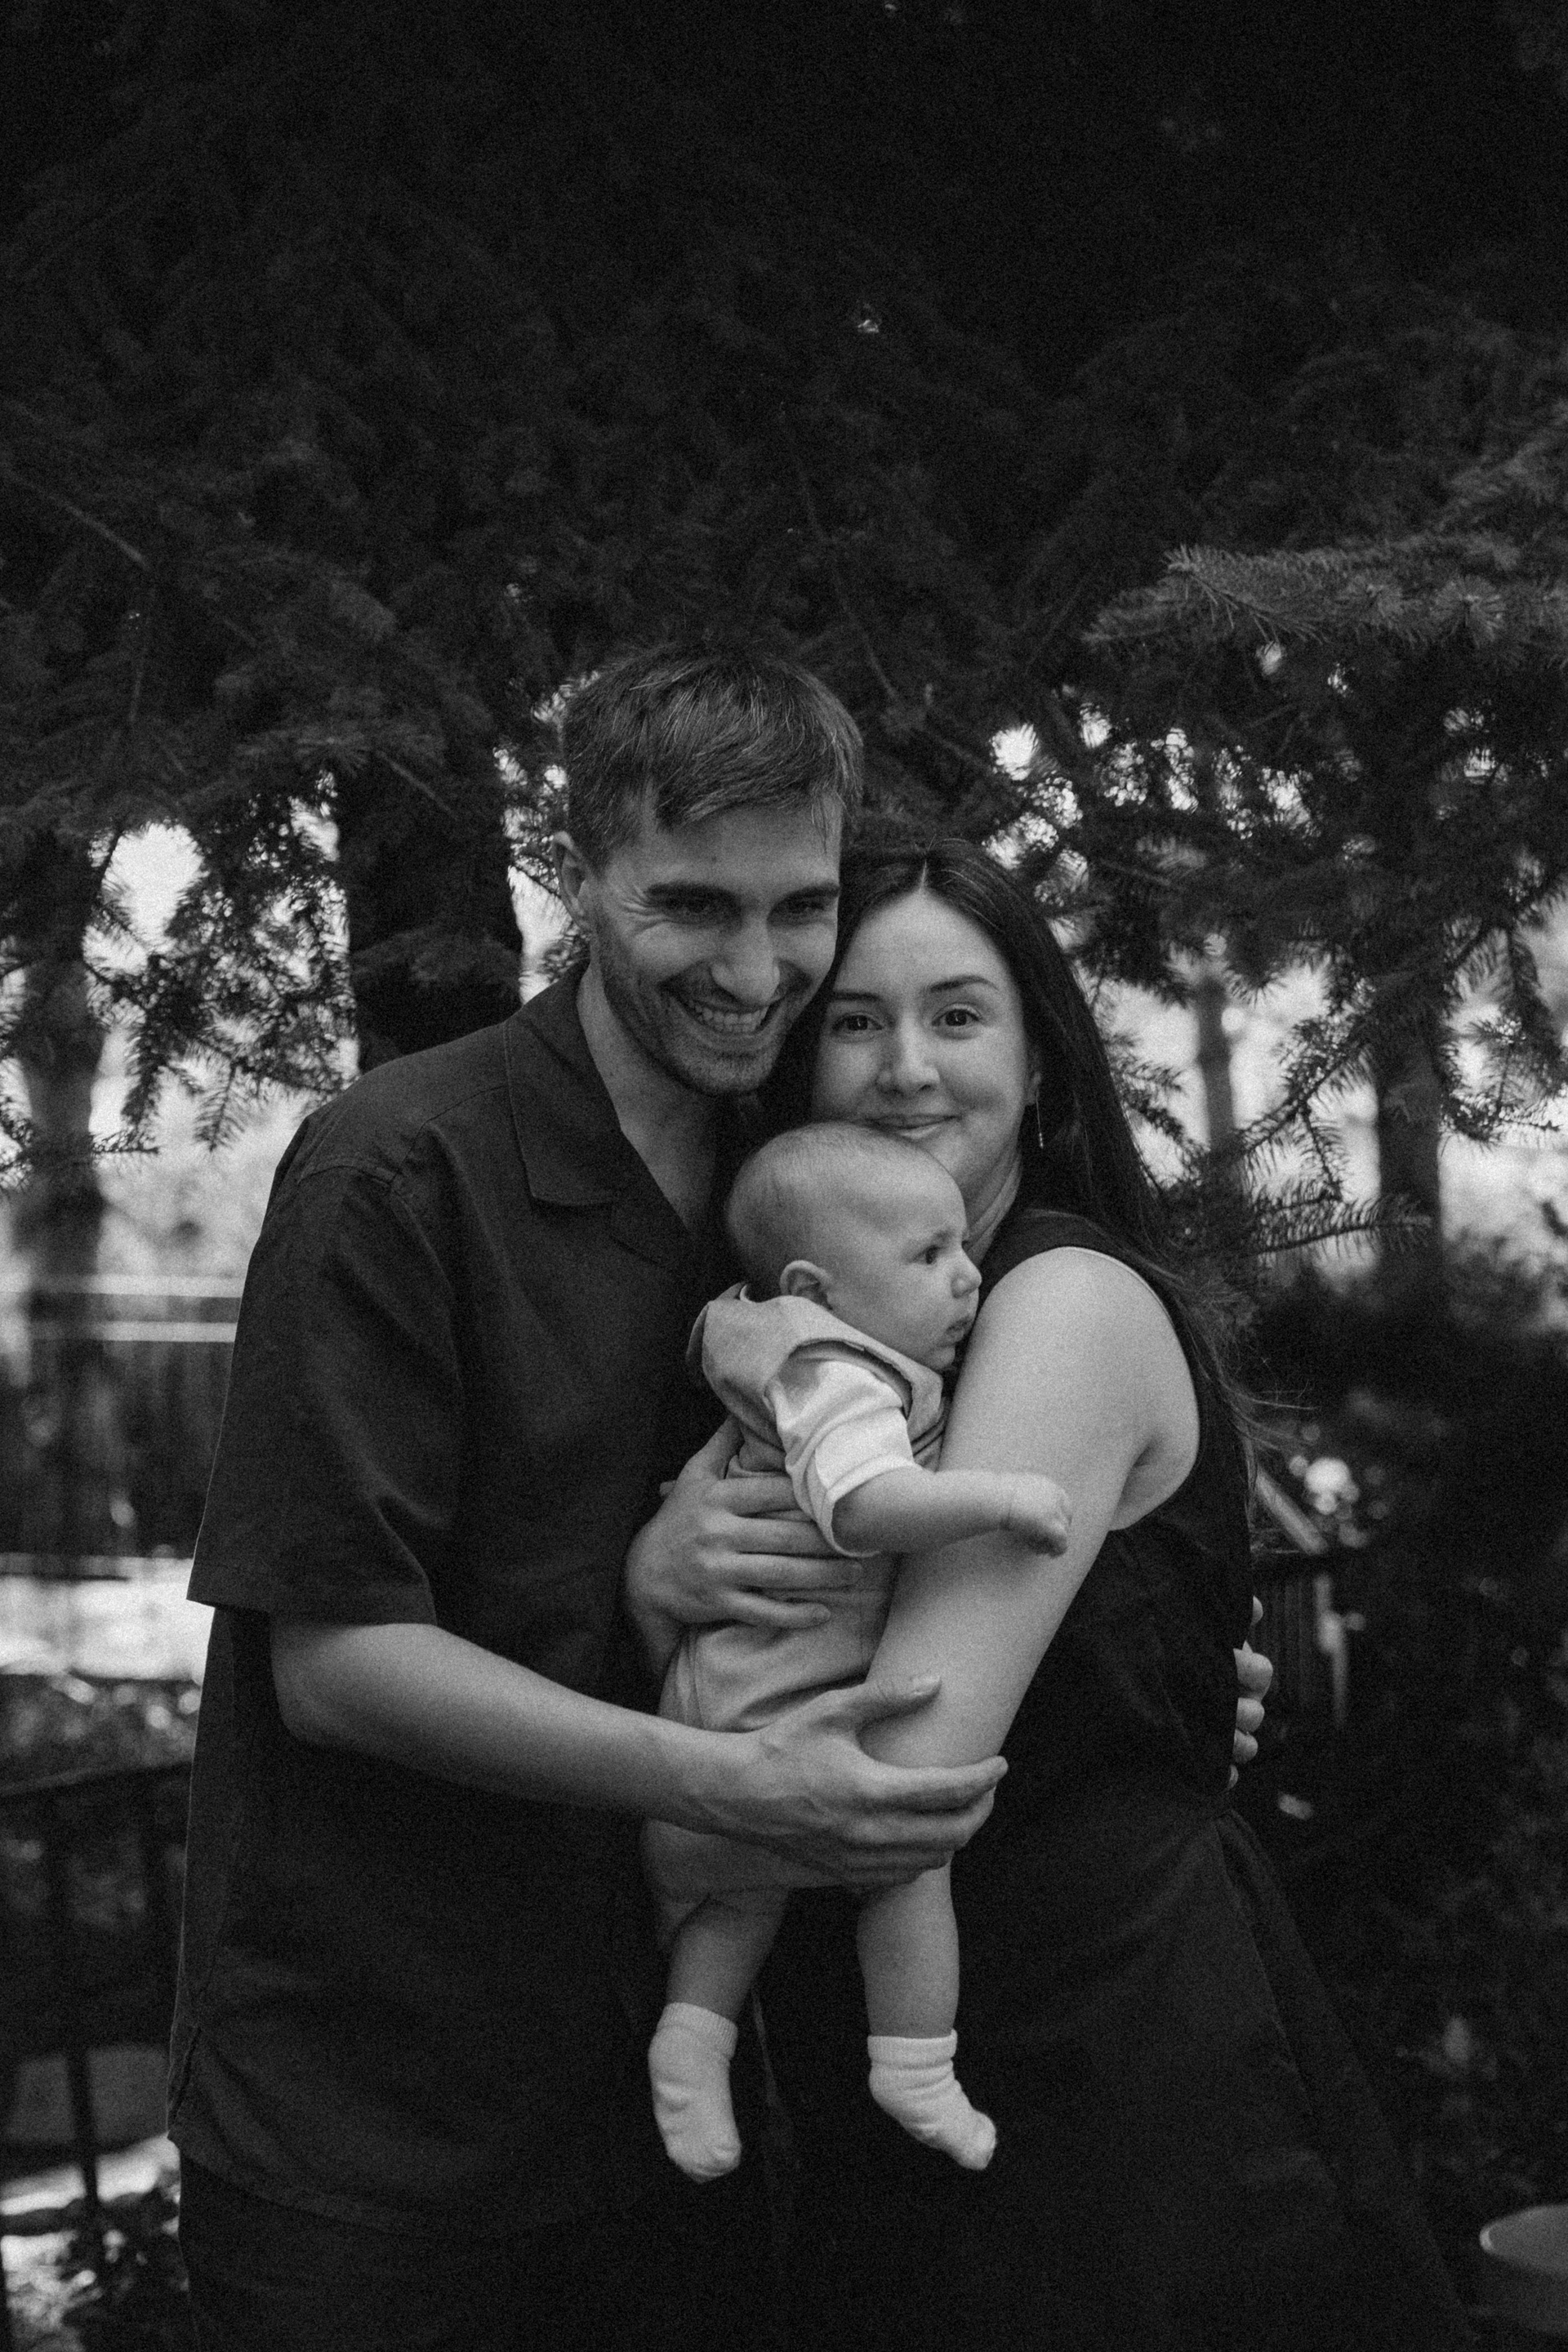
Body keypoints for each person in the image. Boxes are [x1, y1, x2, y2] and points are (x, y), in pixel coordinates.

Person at [166, 648, 1016, 2352]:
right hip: (376, 2132)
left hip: (670, 2109)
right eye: (694, 906)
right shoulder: (399, 1166)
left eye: (799, 909)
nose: (757, 970)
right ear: (580, 869)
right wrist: (743, 1780)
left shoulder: (807, 1183)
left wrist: (1166, 1659)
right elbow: (333, 1666)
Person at [628, 836, 1476, 2352]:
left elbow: (897, 1771)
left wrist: (668, 1783)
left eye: (958, 1015)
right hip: (917, 2066)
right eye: (856, 1021)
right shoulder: (832, 1348)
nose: (905, 1068)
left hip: (1101, 2077)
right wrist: (654, 1587)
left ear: (1040, 1068)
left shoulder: (1060, 1301)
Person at [642, 1123, 1072, 2183]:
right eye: (929, 1256)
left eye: (963, 1246)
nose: (968, 1277)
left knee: (753, 1893)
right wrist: (998, 1499)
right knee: (892, 1863)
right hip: (774, 1679)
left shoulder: (809, 1347)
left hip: (765, 1669)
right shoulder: (833, 1374)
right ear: (813, 1289)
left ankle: (695, 2048)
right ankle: (910, 2066)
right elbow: (866, 1506)